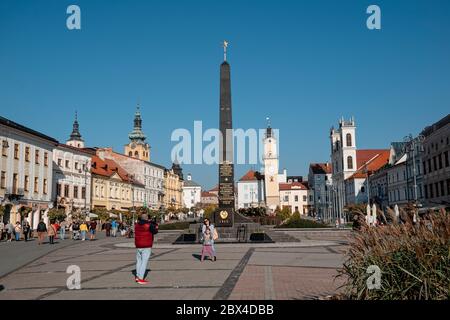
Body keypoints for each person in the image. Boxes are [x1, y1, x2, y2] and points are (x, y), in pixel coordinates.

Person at [134, 214, 158, 285]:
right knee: (144, 262)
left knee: (139, 261)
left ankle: (137, 276)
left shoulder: (136, 225)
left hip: (138, 245)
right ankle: (140, 279)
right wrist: (154, 224)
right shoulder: (148, 225)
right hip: (146, 245)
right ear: (147, 218)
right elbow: (155, 231)